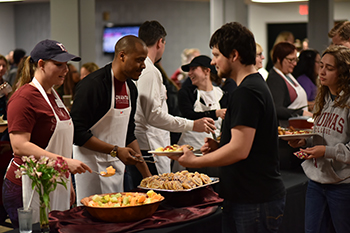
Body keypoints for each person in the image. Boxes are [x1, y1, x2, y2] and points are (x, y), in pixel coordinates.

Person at [170, 22, 286, 233]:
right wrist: (219, 145)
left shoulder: (247, 91)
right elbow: (247, 144)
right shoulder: (251, 86)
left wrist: (195, 161)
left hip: (254, 200)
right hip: (247, 196)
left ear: (234, 55)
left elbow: (239, 150)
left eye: (216, 54)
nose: (213, 61)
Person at [2, 39, 92, 227]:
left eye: (66, 65)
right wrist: (64, 162)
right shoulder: (24, 97)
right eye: (59, 64)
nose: (65, 70)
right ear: (41, 64)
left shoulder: (54, 95)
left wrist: (65, 183)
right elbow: (19, 146)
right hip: (26, 185)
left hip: (52, 181)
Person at [132, 20, 215, 187]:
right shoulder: (149, 71)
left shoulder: (145, 68)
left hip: (150, 144)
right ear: (160, 42)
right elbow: (153, 116)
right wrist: (192, 125)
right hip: (149, 147)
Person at [70, 35, 152, 203]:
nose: (143, 65)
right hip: (90, 167)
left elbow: (128, 134)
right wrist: (115, 150)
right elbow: (77, 133)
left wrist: (148, 177)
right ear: (122, 56)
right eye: (139, 60)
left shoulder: (131, 89)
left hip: (116, 166)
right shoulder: (92, 85)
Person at [288, 45, 350, 233]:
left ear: (344, 72)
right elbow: (323, 135)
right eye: (321, 66)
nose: (321, 72)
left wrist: (326, 151)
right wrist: (305, 142)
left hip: (343, 185)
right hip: (316, 181)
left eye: (329, 68)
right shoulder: (323, 98)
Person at [266, 42, 313, 128]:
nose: (295, 63)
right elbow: (276, 108)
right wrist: (300, 113)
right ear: (278, 59)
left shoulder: (288, 75)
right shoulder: (274, 79)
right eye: (291, 60)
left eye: (296, 60)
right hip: (287, 129)